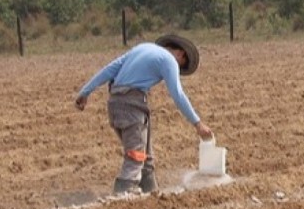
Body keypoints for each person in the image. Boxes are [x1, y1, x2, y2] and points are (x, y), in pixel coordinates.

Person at [74, 34, 213, 195]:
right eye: (181, 65)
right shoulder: (169, 60)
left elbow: (110, 69)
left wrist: (85, 92)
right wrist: (197, 123)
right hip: (132, 106)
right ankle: (123, 194)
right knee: (136, 156)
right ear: (181, 54)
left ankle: (151, 194)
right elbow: (178, 94)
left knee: (146, 159)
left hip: (115, 104)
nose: (178, 68)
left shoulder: (141, 48)